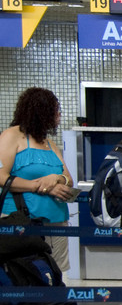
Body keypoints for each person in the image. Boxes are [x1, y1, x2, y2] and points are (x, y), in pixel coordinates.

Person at [0, 87, 75, 274]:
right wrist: (41, 187)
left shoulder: (50, 144)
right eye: (55, 110)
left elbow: (69, 180)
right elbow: (1, 177)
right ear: (41, 111)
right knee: (23, 272)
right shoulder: (11, 136)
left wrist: (56, 178)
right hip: (20, 220)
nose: (58, 115)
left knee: (55, 273)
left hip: (56, 220)